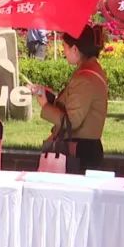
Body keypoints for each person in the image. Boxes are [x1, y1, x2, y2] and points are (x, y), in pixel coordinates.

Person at [31, 24, 108, 173]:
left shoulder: (85, 78)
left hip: (79, 152)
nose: (63, 51)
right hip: (84, 149)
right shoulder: (89, 71)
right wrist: (50, 97)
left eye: (65, 47)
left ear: (75, 49)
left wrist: (45, 105)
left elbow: (72, 122)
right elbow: (72, 105)